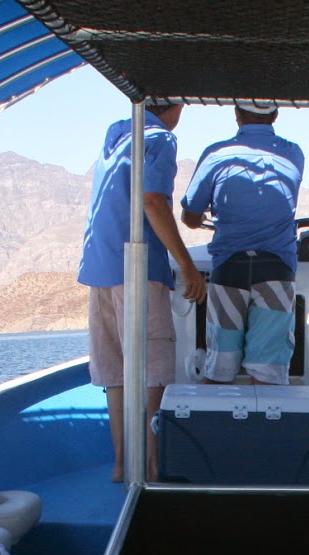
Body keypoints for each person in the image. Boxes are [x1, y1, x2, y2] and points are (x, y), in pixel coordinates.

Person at [78, 103, 206, 482]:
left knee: (115, 373)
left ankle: (122, 465)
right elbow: (152, 201)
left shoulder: (118, 133)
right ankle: (150, 466)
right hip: (137, 268)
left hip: (99, 267)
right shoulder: (160, 139)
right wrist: (185, 265)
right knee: (154, 371)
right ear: (178, 105)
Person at [180, 103, 305, 385]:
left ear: (236, 114)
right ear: (275, 114)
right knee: (268, 373)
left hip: (230, 267)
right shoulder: (294, 153)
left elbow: (190, 216)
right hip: (276, 268)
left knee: (220, 369)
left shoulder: (215, 154)